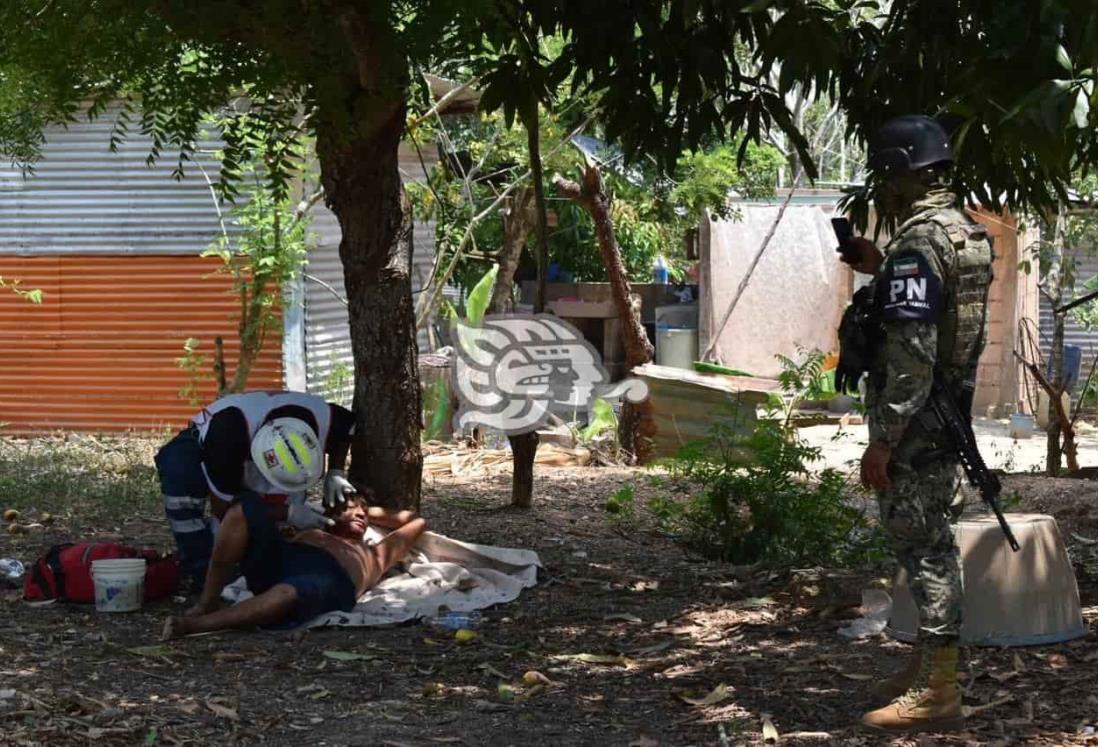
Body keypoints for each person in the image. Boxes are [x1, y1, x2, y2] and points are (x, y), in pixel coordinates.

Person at [835, 115, 993, 733]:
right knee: (929, 540)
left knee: (924, 546)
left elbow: (912, 351)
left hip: (919, 418)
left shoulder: (919, 243)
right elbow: (949, 318)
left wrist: (884, 439)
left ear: (902, 170)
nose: (882, 185)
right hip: (947, 408)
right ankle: (930, 669)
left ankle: (939, 688)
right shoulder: (965, 234)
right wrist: (880, 267)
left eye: (886, 172)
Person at [155, 391, 359, 587]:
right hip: (207, 437)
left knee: (273, 530)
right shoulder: (225, 441)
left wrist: (336, 471)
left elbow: (348, 427)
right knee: (179, 473)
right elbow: (226, 509)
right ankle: (199, 565)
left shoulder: (323, 418)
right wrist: (288, 513)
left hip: (254, 435)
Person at [162, 493, 426, 637]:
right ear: (332, 512)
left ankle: (196, 626)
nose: (360, 515)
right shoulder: (309, 530)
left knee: (287, 591)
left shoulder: (374, 554)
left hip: (329, 577)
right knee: (247, 507)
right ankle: (208, 600)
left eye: (364, 513)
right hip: (286, 560)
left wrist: (367, 509)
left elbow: (416, 521)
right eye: (351, 509)